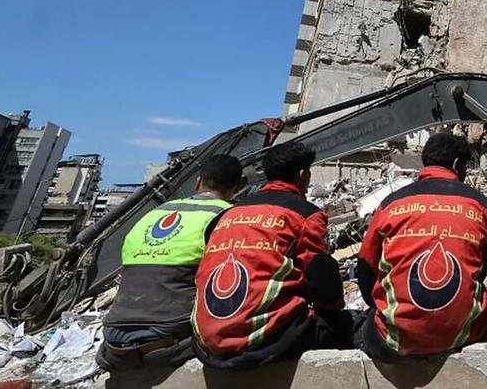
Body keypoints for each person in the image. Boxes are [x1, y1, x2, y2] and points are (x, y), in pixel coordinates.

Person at [192, 143, 360, 369]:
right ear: (302, 175)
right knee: (355, 324)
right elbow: (322, 282)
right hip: (264, 342)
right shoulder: (305, 215)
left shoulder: (227, 215)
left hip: (206, 343)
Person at [355, 131, 487, 361]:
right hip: (462, 336)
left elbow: (365, 265)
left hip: (394, 341)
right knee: (486, 305)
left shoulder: (391, 203)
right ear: (457, 164)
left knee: (366, 322)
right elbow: (483, 265)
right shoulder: (479, 204)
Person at [97, 155, 244, 372]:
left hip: (113, 336)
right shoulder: (229, 217)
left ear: (198, 182)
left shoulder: (155, 213)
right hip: (167, 337)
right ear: (238, 187)